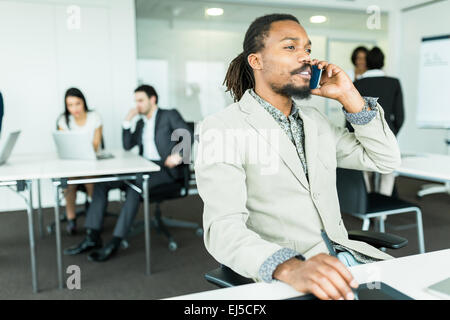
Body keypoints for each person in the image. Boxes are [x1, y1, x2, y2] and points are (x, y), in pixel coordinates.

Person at [195, 14, 401, 300]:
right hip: (294, 277)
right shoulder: (222, 128)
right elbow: (222, 229)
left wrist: (349, 96)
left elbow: (385, 160)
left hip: (353, 264)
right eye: (290, 47)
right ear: (257, 61)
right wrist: (289, 268)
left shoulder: (315, 121)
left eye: (308, 49)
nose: (305, 57)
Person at [64, 84, 193, 262]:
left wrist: (179, 154)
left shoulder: (169, 114)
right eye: (135, 101)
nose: (137, 105)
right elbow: (127, 145)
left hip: (165, 169)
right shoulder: (140, 123)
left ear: (152, 99)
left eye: (140, 101)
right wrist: (127, 122)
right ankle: (92, 236)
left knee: (135, 187)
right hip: (143, 167)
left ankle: (115, 242)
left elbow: (187, 133)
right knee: (102, 182)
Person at [348, 46, 405, 196]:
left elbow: (349, 113)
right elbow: (400, 116)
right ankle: (383, 208)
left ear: (367, 62)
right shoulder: (394, 83)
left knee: (366, 169)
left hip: (363, 134)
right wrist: (392, 133)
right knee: (388, 169)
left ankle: (367, 202)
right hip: (388, 133)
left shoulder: (358, 84)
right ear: (383, 62)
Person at [57, 88, 103, 235]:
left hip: (92, 162)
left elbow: (95, 145)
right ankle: (71, 218)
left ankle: (92, 211)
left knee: (90, 178)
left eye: (77, 103)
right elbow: (64, 145)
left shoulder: (94, 117)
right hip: (72, 164)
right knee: (69, 181)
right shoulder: (63, 120)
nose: (74, 108)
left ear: (83, 102)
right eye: (70, 105)